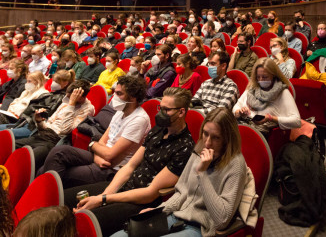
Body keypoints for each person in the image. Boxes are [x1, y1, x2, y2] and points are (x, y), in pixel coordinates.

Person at [71, 88, 195, 236]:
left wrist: (103, 200)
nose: (160, 113)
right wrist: (103, 196)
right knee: (70, 201)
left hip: (140, 202)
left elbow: (151, 193)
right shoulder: (158, 129)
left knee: (82, 222)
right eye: (159, 108)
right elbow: (130, 166)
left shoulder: (185, 147)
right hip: (126, 185)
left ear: (181, 112)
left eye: (166, 110)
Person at [112, 107, 246, 237]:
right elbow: (181, 192)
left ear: (227, 139)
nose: (207, 143)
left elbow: (221, 220)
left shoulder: (235, 165)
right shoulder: (199, 150)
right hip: (177, 215)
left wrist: (202, 174)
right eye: (205, 134)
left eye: (216, 137)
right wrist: (159, 210)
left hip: (200, 227)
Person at [39, 76, 150, 188]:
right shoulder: (120, 111)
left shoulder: (139, 119)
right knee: (57, 153)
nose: (114, 97)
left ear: (133, 98)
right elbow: (102, 142)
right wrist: (95, 150)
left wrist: (94, 146)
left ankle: (47, 197)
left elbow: (110, 155)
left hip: (112, 169)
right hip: (100, 158)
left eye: (119, 94)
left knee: (54, 173)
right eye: (115, 93)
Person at [15, 80, 95, 168]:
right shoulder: (66, 102)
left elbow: (64, 130)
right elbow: (49, 124)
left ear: (80, 97)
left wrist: (71, 105)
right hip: (41, 135)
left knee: (25, 160)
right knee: (10, 146)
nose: (67, 99)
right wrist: (39, 121)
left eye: (70, 97)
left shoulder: (88, 109)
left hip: (54, 141)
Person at [233, 58, 300, 136]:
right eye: (258, 77)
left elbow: (297, 121)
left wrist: (270, 118)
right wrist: (240, 112)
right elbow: (236, 107)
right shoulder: (253, 87)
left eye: (265, 77)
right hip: (242, 125)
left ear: (273, 75)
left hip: (261, 133)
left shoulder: (282, 92)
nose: (261, 80)